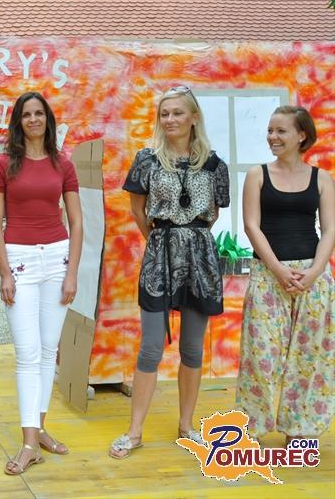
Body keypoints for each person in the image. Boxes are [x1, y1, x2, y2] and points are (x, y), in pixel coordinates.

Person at [109, 85, 230, 459]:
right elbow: (137, 210)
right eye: (164, 113)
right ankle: (134, 432)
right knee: (150, 346)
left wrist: (190, 240)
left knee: (192, 347)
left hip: (200, 261)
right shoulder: (146, 161)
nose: (170, 119)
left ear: (194, 117)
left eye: (178, 112)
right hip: (159, 257)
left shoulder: (214, 165)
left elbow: (213, 214)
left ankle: (187, 425)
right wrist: (162, 240)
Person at [0, 92, 83, 475]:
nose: (33, 120)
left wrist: (72, 272)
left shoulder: (63, 164)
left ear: (47, 119)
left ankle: (39, 429)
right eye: (26, 114)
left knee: (47, 351)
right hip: (20, 260)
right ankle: (29, 443)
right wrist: (4, 272)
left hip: (57, 259)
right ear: (18, 121)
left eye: (39, 113)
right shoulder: (2, 165)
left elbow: (77, 222)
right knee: (27, 353)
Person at [237, 106, 334, 441]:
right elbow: (251, 226)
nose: (272, 137)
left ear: (301, 135)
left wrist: (315, 271)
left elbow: (330, 230)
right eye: (270, 131)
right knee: (260, 355)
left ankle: (300, 429)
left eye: (281, 131)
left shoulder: (322, 178)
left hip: (312, 279)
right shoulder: (257, 175)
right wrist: (278, 270)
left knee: (308, 358)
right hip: (268, 276)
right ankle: (254, 426)